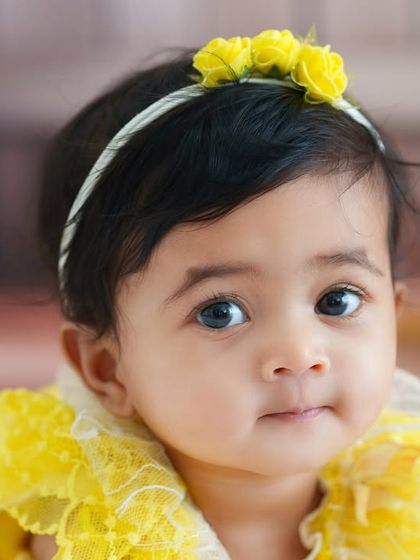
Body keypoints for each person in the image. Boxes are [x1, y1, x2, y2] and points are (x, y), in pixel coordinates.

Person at [1, 28, 420, 560]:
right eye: (220, 312)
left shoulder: (399, 494)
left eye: (336, 299)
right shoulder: (96, 537)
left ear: (394, 313)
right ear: (107, 368)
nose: (298, 355)